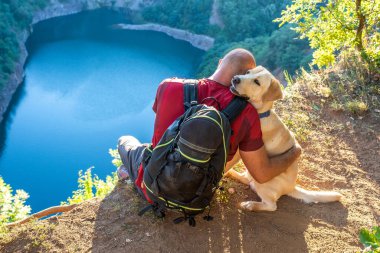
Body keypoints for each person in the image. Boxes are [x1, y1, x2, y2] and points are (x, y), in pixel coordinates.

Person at [117, 48, 302, 201]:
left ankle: (132, 175)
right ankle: (131, 173)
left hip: (152, 186)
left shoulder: (168, 86)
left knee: (126, 140)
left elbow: (159, 117)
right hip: (196, 196)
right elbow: (262, 174)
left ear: (220, 62)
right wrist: (294, 152)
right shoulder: (247, 114)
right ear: (243, 78)